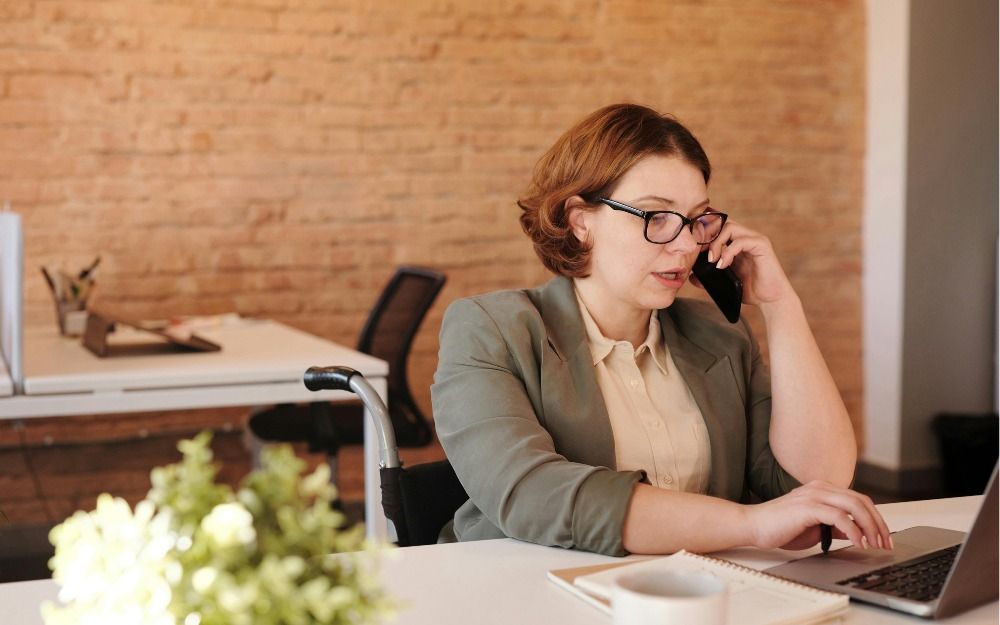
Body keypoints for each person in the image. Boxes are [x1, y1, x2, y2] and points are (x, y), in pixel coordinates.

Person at [431, 103, 891, 557]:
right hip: (525, 592)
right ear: (580, 221)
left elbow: (819, 486)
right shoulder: (490, 329)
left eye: (696, 219)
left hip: (690, 596)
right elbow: (530, 493)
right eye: (657, 217)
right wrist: (750, 524)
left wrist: (779, 305)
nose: (688, 243)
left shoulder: (718, 334)